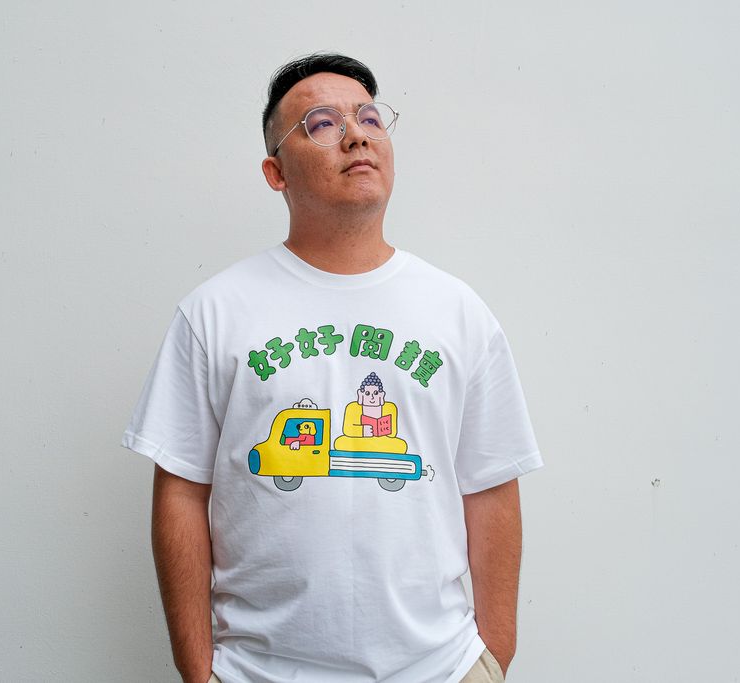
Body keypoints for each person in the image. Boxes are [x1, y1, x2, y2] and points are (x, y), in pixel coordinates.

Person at [122, 53, 544, 683]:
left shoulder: (459, 312)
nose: (357, 135)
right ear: (275, 172)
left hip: (439, 668)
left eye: (370, 118)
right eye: (322, 124)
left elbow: (490, 485)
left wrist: (492, 657)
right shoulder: (214, 312)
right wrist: (198, 670)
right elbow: (181, 490)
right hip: (257, 672)